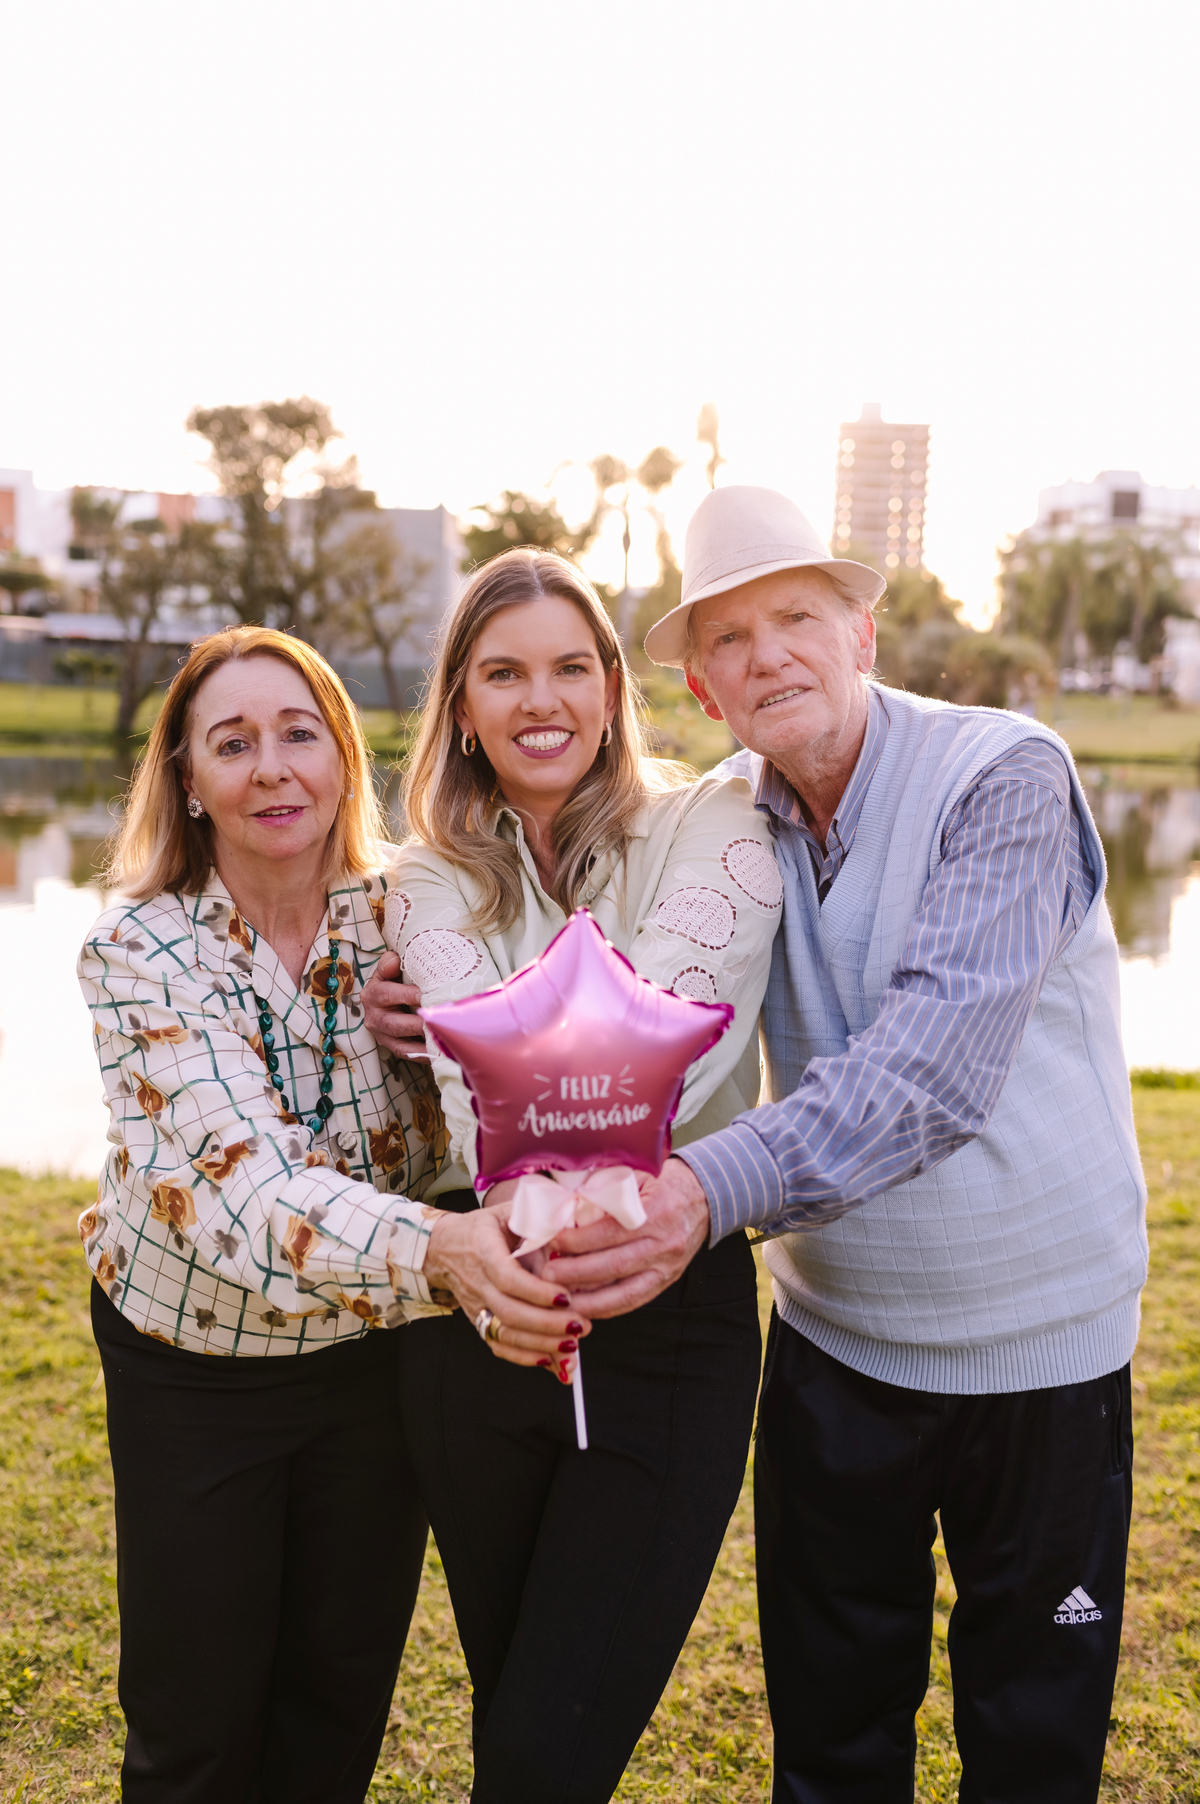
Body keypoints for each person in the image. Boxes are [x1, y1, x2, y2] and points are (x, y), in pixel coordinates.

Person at [546, 487, 1147, 1802]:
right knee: (829, 1744)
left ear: (863, 635)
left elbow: (932, 1074)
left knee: (1032, 1748)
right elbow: (622, 994)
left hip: (1039, 1353)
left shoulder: (1005, 776)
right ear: (703, 687)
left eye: (798, 618)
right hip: (836, 1349)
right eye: (732, 638)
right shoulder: (724, 819)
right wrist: (420, 994)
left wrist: (701, 1188)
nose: (769, 654)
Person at [79, 625, 577, 1804]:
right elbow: (242, 1193)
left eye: (299, 734)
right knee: (196, 1719)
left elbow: (508, 1107)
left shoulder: (408, 916)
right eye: (234, 743)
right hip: (195, 1363)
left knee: (337, 1698)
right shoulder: (137, 953)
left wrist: (451, 1042)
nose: (272, 768)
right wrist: (451, 1251)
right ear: (188, 779)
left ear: (345, 759)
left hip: (371, 1358)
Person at [362, 547, 780, 1803]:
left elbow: (619, 1051)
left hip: (667, 1320)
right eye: (502, 672)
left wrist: (478, 1037)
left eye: (567, 666)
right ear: (463, 704)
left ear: (609, 686)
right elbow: (462, 1076)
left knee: (546, 1752)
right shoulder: (427, 870)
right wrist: (461, 1047)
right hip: (480, 1326)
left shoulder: (715, 817)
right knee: (520, 1725)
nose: (538, 699)